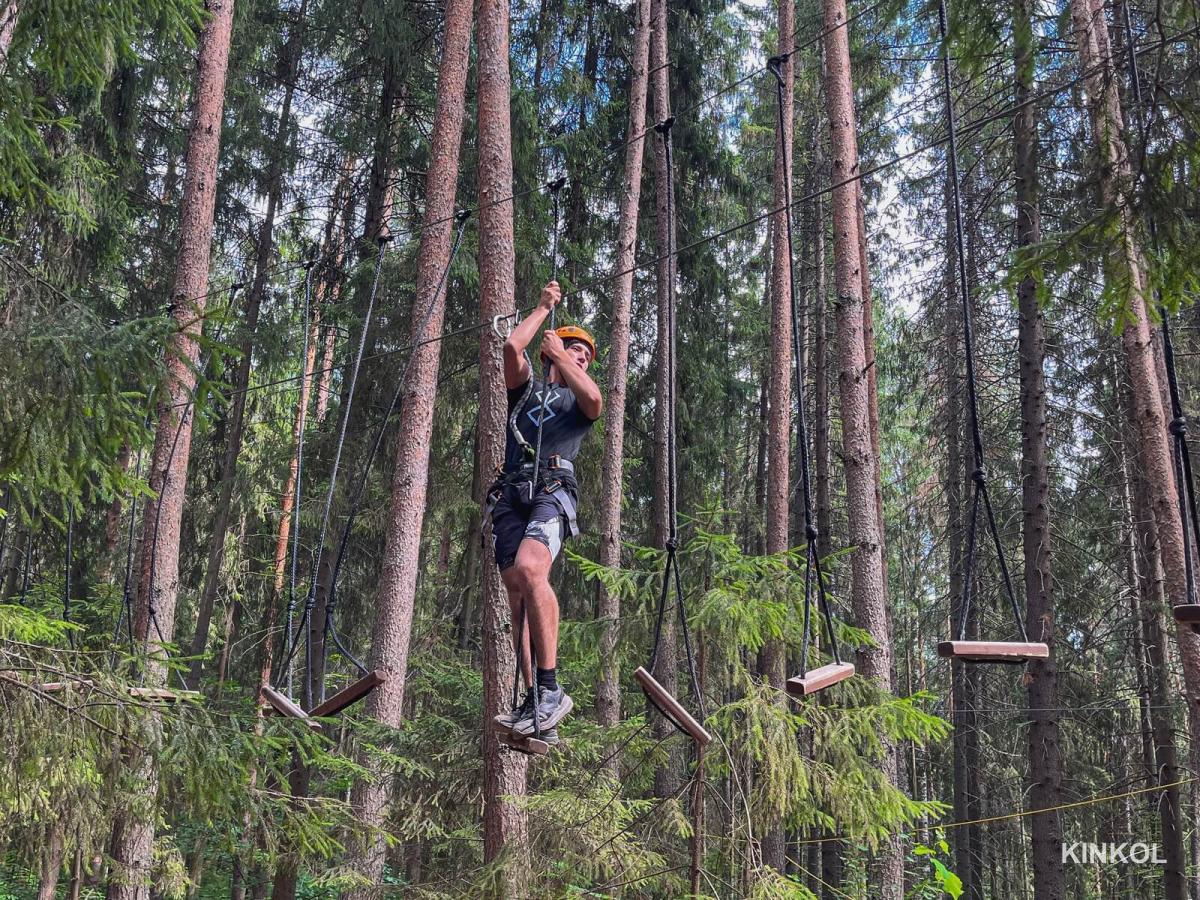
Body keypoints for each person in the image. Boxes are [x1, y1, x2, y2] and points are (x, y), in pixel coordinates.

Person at [487, 280, 602, 744]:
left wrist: (563, 358)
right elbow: (512, 346)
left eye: (586, 355)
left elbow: (596, 401)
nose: (580, 356)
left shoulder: (577, 401)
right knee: (516, 591)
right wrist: (541, 308)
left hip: (553, 487)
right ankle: (535, 701)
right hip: (512, 494)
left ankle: (552, 689)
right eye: (574, 349)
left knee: (533, 568)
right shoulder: (528, 393)